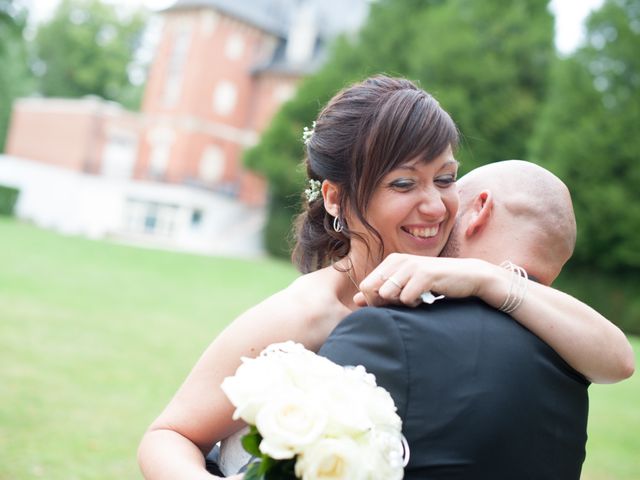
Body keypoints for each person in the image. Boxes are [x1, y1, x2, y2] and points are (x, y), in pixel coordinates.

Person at [137, 77, 633, 480]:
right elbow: (169, 437)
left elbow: (616, 361)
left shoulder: (464, 284)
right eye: (403, 183)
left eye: (444, 178)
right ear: (335, 198)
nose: (435, 206)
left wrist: (486, 278)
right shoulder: (304, 314)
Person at [318, 160, 607, 478]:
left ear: (480, 208)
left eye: (449, 196)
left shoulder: (389, 331)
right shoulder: (573, 363)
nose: (436, 216)